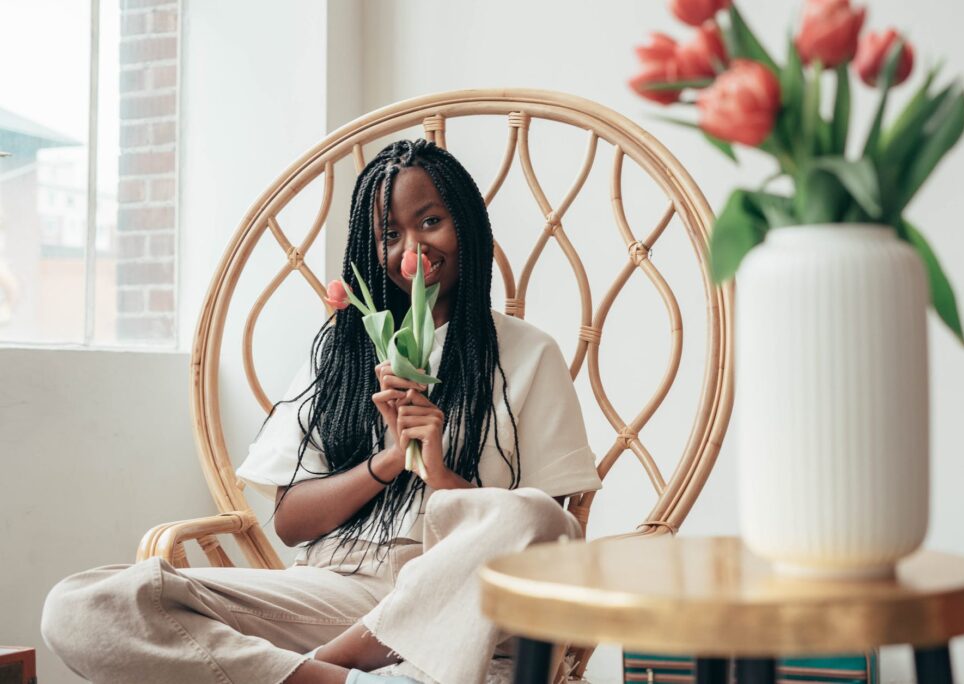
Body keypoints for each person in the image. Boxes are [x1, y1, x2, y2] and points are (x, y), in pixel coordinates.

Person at [40, 139, 603, 684]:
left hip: (452, 593)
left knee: (530, 515)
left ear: (468, 226)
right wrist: (387, 460)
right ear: (370, 249)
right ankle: (346, 680)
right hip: (333, 587)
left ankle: (320, 665)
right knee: (84, 605)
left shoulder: (529, 354)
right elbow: (291, 523)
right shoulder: (345, 351)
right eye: (390, 234)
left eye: (431, 222)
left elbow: (542, 540)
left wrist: (432, 467)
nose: (412, 247)